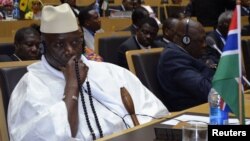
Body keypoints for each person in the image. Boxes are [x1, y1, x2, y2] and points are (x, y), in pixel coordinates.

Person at [7, 3, 169, 141]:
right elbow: (48, 135)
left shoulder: (112, 73)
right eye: (59, 45)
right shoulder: (30, 86)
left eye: (75, 42)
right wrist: (72, 86)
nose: (70, 51)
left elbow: (156, 114)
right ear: (43, 45)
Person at [157, 18, 214, 111]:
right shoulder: (172, 57)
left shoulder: (189, 53)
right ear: (186, 40)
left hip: (206, 107)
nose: (204, 45)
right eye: (200, 40)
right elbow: (206, 89)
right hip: (191, 113)